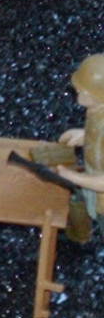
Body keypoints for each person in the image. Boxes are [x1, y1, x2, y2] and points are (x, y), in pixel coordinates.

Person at [57, 54, 104, 231]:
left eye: (84, 90)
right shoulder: (97, 110)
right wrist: (86, 136)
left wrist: (72, 177)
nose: (77, 89)